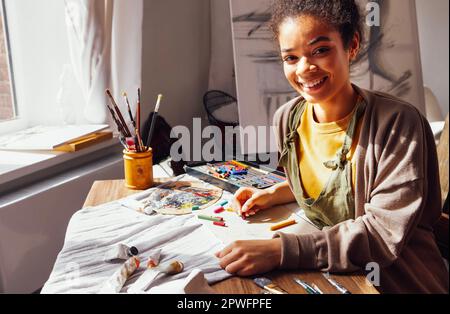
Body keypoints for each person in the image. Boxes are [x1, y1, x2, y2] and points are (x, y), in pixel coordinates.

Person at [215, 0, 449, 293]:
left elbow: (380, 234)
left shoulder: (398, 124)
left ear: (351, 46)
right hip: (331, 277)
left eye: (320, 50)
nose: (305, 68)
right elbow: (334, 185)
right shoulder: (288, 119)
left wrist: (280, 251)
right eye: (291, 57)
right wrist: (275, 193)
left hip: (395, 281)